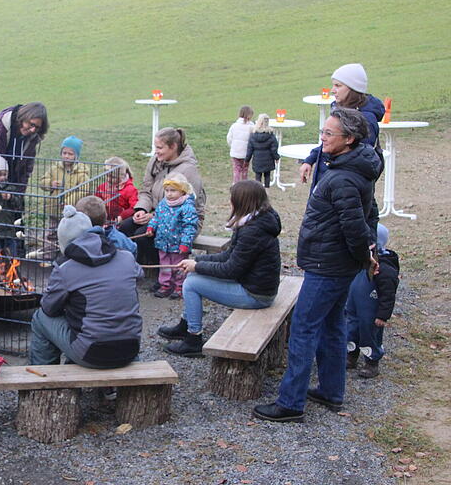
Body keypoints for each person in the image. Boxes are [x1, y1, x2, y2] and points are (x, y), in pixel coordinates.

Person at [254, 108, 380, 423]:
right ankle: (331, 391)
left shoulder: (343, 179)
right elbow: (369, 212)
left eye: (328, 134)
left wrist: (366, 256)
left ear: (349, 139)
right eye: (322, 132)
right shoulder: (349, 162)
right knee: (333, 325)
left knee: (303, 328)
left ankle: (290, 403)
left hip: (329, 264)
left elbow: (355, 226)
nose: (321, 139)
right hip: (337, 263)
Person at [159, 180, 281, 356]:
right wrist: (197, 261)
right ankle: (185, 326)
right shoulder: (255, 220)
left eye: (232, 199)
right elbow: (229, 255)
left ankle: (193, 339)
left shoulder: (252, 230)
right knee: (192, 277)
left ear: (242, 202)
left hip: (256, 295)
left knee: (191, 285)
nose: (230, 202)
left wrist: (198, 266)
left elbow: (231, 270)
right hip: (253, 284)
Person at [29, 205, 143, 368]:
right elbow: (139, 276)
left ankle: (45, 378)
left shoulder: (65, 268)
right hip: (131, 348)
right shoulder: (126, 257)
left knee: (40, 318)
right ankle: (107, 388)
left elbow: (49, 308)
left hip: (92, 353)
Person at [118, 127, 206, 267]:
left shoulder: (189, 170)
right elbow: (146, 189)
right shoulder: (156, 161)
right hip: (157, 213)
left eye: (159, 147)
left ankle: (160, 267)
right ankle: (133, 264)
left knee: (144, 236)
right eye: (155, 147)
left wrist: (154, 217)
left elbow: (188, 206)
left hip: (181, 220)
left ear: (173, 147)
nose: (156, 151)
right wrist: (142, 210)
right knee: (125, 226)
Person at [299, 64, 385, 187]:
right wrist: (309, 160)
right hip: (327, 182)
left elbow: (363, 159)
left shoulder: (366, 120)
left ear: (353, 89)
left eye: (338, 86)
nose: (332, 90)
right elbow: (329, 142)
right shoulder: (339, 109)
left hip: (344, 188)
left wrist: (335, 180)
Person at [346, 224, 400, 379]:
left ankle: (372, 362)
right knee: (351, 331)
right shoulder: (358, 263)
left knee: (370, 334)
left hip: (371, 314)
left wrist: (383, 316)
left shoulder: (384, 270)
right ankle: (351, 356)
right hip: (354, 309)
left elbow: (388, 295)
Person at [146, 173, 199, 299]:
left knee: (178, 266)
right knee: (164, 265)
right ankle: (165, 284)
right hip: (163, 242)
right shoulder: (164, 204)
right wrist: (151, 227)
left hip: (178, 244)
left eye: (173, 191)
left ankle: (179, 286)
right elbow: (157, 217)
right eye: (167, 191)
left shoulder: (187, 207)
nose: (169, 194)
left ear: (182, 191)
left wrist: (185, 243)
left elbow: (190, 226)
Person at [95, 156, 138, 224]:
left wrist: (122, 216)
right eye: (107, 175)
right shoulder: (102, 187)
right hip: (104, 220)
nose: (108, 179)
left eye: (113, 177)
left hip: (121, 221)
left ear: (122, 176)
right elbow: (96, 201)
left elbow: (134, 207)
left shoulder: (130, 189)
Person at [245, 114, 280, 188]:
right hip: (268, 160)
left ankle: (258, 192)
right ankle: (267, 191)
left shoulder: (253, 135)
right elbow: (274, 148)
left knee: (258, 176)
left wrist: (247, 160)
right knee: (267, 175)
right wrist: (277, 157)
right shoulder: (270, 135)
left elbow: (250, 149)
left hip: (257, 160)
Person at [227, 105, 254, 183]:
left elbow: (229, 138)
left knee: (236, 170)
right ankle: (244, 185)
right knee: (245, 170)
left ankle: (236, 185)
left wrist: (233, 146)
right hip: (246, 153)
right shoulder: (251, 127)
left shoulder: (234, 126)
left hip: (235, 152)